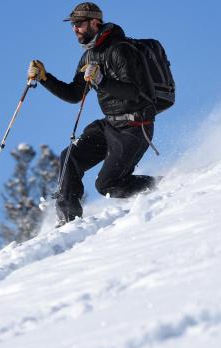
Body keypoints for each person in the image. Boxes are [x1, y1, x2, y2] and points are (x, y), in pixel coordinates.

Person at [28, 2, 157, 225]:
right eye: (73, 25)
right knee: (70, 157)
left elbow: (136, 92)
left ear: (95, 23)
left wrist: (101, 81)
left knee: (108, 185)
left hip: (135, 126)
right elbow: (74, 94)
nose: (74, 29)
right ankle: (69, 220)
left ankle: (165, 186)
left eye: (78, 23)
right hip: (110, 125)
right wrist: (45, 78)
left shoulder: (121, 49)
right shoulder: (88, 57)